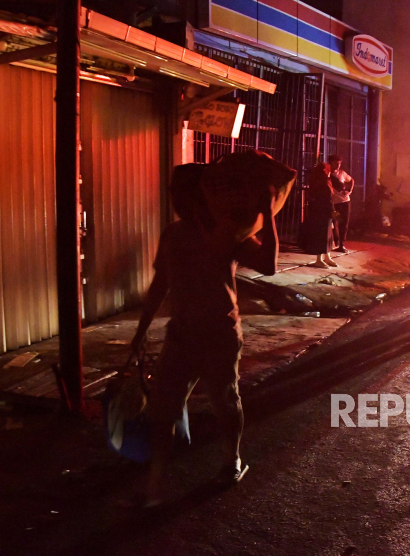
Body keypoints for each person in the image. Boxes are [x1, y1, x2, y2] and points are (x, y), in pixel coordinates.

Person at [131, 163, 280, 507]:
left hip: (219, 334)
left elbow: (269, 266)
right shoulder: (173, 234)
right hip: (181, 335)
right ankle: (153, 488)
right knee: (162, 412)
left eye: (180, 192)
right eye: (172, 193)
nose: (175, 200)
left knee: (226, 402)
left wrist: (267, 211)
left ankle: (233, 460)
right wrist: (141, 331)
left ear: (198, 194)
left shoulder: (227, 231)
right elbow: (159, 286)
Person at [304, 162, 338, 268]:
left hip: (317, 211)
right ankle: (320, 259)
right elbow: (328, 199)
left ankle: (326, 257)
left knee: (325, 234)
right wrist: (332, 211)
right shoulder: (324, 182)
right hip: (324, 212)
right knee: (323, 235)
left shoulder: (315, 181)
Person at [329, 154, 355, 252]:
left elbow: (351, 180)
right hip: (334, 202)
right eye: (336, 163)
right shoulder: (327, 174)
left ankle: (341, 245)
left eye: (339, 163)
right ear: (331, 162)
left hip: (345, 201)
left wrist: (350, 191)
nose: (338, 165)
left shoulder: (342, 173)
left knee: (344, 223)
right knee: (334, 223)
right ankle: (335, 242)